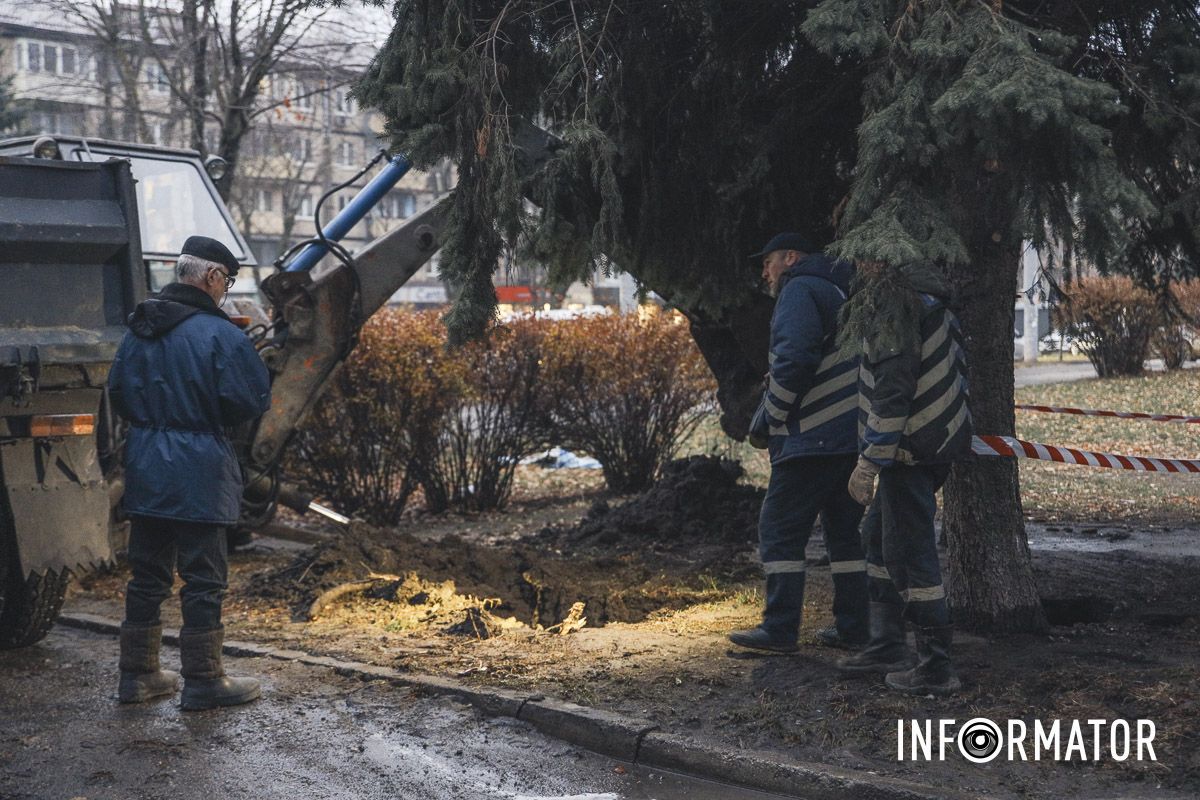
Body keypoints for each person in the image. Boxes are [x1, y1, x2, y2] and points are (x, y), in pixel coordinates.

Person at [107, 236, 271, 710]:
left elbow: (117, 392)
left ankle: (137, 677)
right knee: (203, 577)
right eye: (228, 281)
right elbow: (251, 400)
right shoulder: (220, 335)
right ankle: (203, 681)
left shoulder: (138, 329)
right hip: (200, 468)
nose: (225, 290)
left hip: (146, 464)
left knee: (147, 574)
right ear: (212, 277)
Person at [728, 233, 869, 654]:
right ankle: (855, 628)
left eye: (768, 262)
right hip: (851, 438)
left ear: (790, 258)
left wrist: (771, 418)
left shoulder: (799, 289)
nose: (764, 272)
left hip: (812, 437)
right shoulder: (841, 289)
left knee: (779, 530)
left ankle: (780, 629)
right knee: (845, 536)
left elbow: (794, 360)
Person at [838, 261, 972, 696]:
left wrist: (869, 461)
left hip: (909, 450)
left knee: (911, 555)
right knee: (877, 537)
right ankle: (887, 644)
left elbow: (893, 391)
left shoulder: (894, 303)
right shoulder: (925, 299)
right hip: (926, 443)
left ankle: (935, 667)